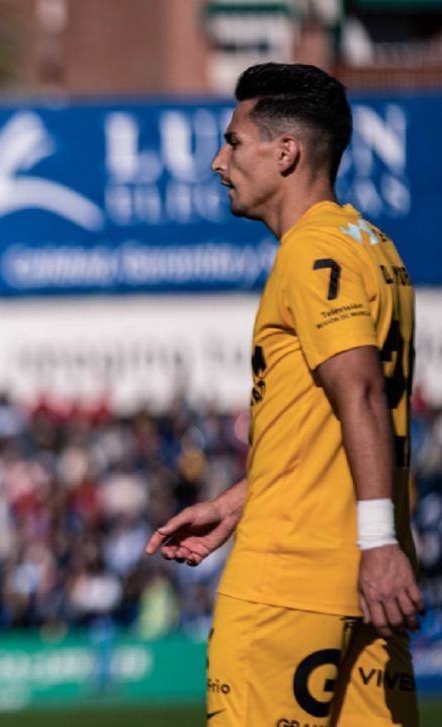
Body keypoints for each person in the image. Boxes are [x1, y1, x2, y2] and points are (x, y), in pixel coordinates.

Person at [144, 63, 423, 725]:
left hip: (289, 582)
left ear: (287, 151)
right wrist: (240, 500)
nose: (219, 161)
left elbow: (357, 391)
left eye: (234, 142)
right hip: (362, 586)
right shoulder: (375, 248)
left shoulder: (311, 252)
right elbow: (332, 416)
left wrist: (379, 543)